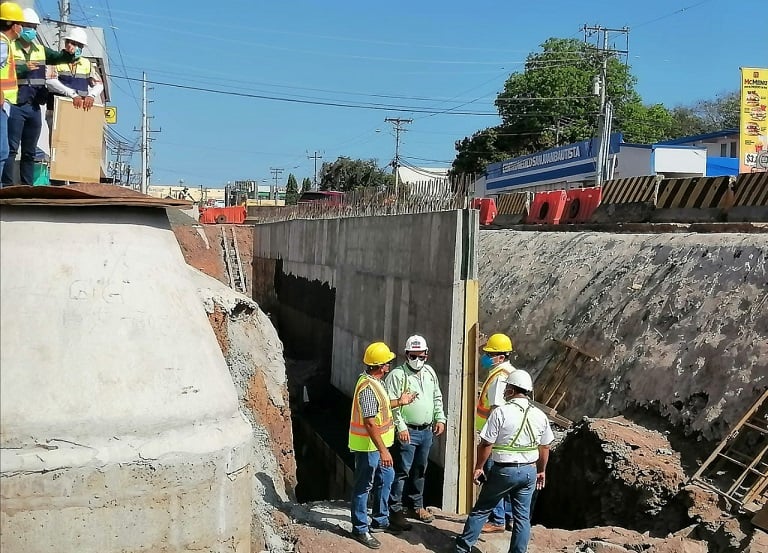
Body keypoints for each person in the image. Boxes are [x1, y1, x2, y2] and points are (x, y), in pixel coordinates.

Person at [455, 370, 554, 553]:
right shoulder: (540, 415)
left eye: (507, 387)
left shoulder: (501, 412)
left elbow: (486, 443)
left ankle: (462, 548)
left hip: (504, 471)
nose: (505, 390)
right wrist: (541, 470)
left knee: (481, 510)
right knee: (522, 517)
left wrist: (479, 467)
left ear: (511, 390)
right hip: (529, 472)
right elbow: (545, 447)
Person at [349, 341, 418, 550]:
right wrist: (384, 450)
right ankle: (360, 529)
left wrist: (401, 401)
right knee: (364, 486)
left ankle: (381, 521)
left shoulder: (377, 383)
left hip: (379, 446)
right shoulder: (368, 388)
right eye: (387, 362)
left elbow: (384, 405)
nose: (389, 365)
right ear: (381, 366)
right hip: (369, 448)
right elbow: (370, 422)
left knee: (385, 479)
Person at [1, 8, 75, 186]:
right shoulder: (9, 45)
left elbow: (57, 57)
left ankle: (26, 186)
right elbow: (7, 69)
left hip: (34, 106)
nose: (31, 30)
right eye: (28, 26)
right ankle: (7, 185)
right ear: (19, 26)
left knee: (30, 151)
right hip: (15, 103)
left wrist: (69, 53)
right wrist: (24, 67)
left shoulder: (40, 49)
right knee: (10, 149)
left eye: (34, 27)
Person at [384, 335, 447, 525]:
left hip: (426, 431)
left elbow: (437, 396)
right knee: (402, 470)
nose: (417, 360)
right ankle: (395, 509)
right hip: (408, 431)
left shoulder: (429, 373)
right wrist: (401, 426)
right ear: (406, 355)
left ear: (426, 355)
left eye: (421, 356)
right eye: (413, 356)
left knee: (420, 469)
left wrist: (440, 418)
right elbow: (390, 404)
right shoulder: (397, 375)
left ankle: (416, 505)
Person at [476, 332, 517, 532]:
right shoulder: (513, 374)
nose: (485, 357)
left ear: (501, 357)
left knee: (493, 478)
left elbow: (496, 410)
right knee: (508, 479)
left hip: (496, 437)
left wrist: (487, 440)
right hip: (511, 437)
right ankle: (509, 519)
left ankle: (497, 520)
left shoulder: (499, 378)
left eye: (489, 354)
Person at [46, 26, 103, 112]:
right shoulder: (56, 60)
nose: (76, 47)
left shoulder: (86, 63)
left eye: (79, 45)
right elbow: (50, 81)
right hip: (56, 109)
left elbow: (99, 84)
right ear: (67, 44)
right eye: (73, 43)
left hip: (78, 110)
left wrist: (92, 95)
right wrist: (72, 94)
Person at [0, 1, 24, 184]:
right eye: (20, 24)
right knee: (2, 151)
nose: (22, 28)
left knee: (3, 151)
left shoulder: (6, 43)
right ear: (13, 25)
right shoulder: (2, 43)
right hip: (1, 103)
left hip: (5, 105)